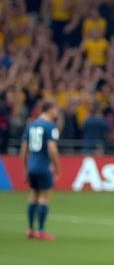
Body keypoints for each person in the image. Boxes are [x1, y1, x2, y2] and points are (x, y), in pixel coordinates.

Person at [21, 101, 61, 240]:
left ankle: (30, 229)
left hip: (32, 166)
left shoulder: (31, 125)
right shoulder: (50, 126)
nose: (57, 113)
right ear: (49, 110)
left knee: (33, 195)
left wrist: (26, 167)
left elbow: (24, 149)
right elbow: (52, 149)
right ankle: (41, 231)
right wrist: (57, 168)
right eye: (55, 109)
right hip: (43, 166)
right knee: (44, 196)